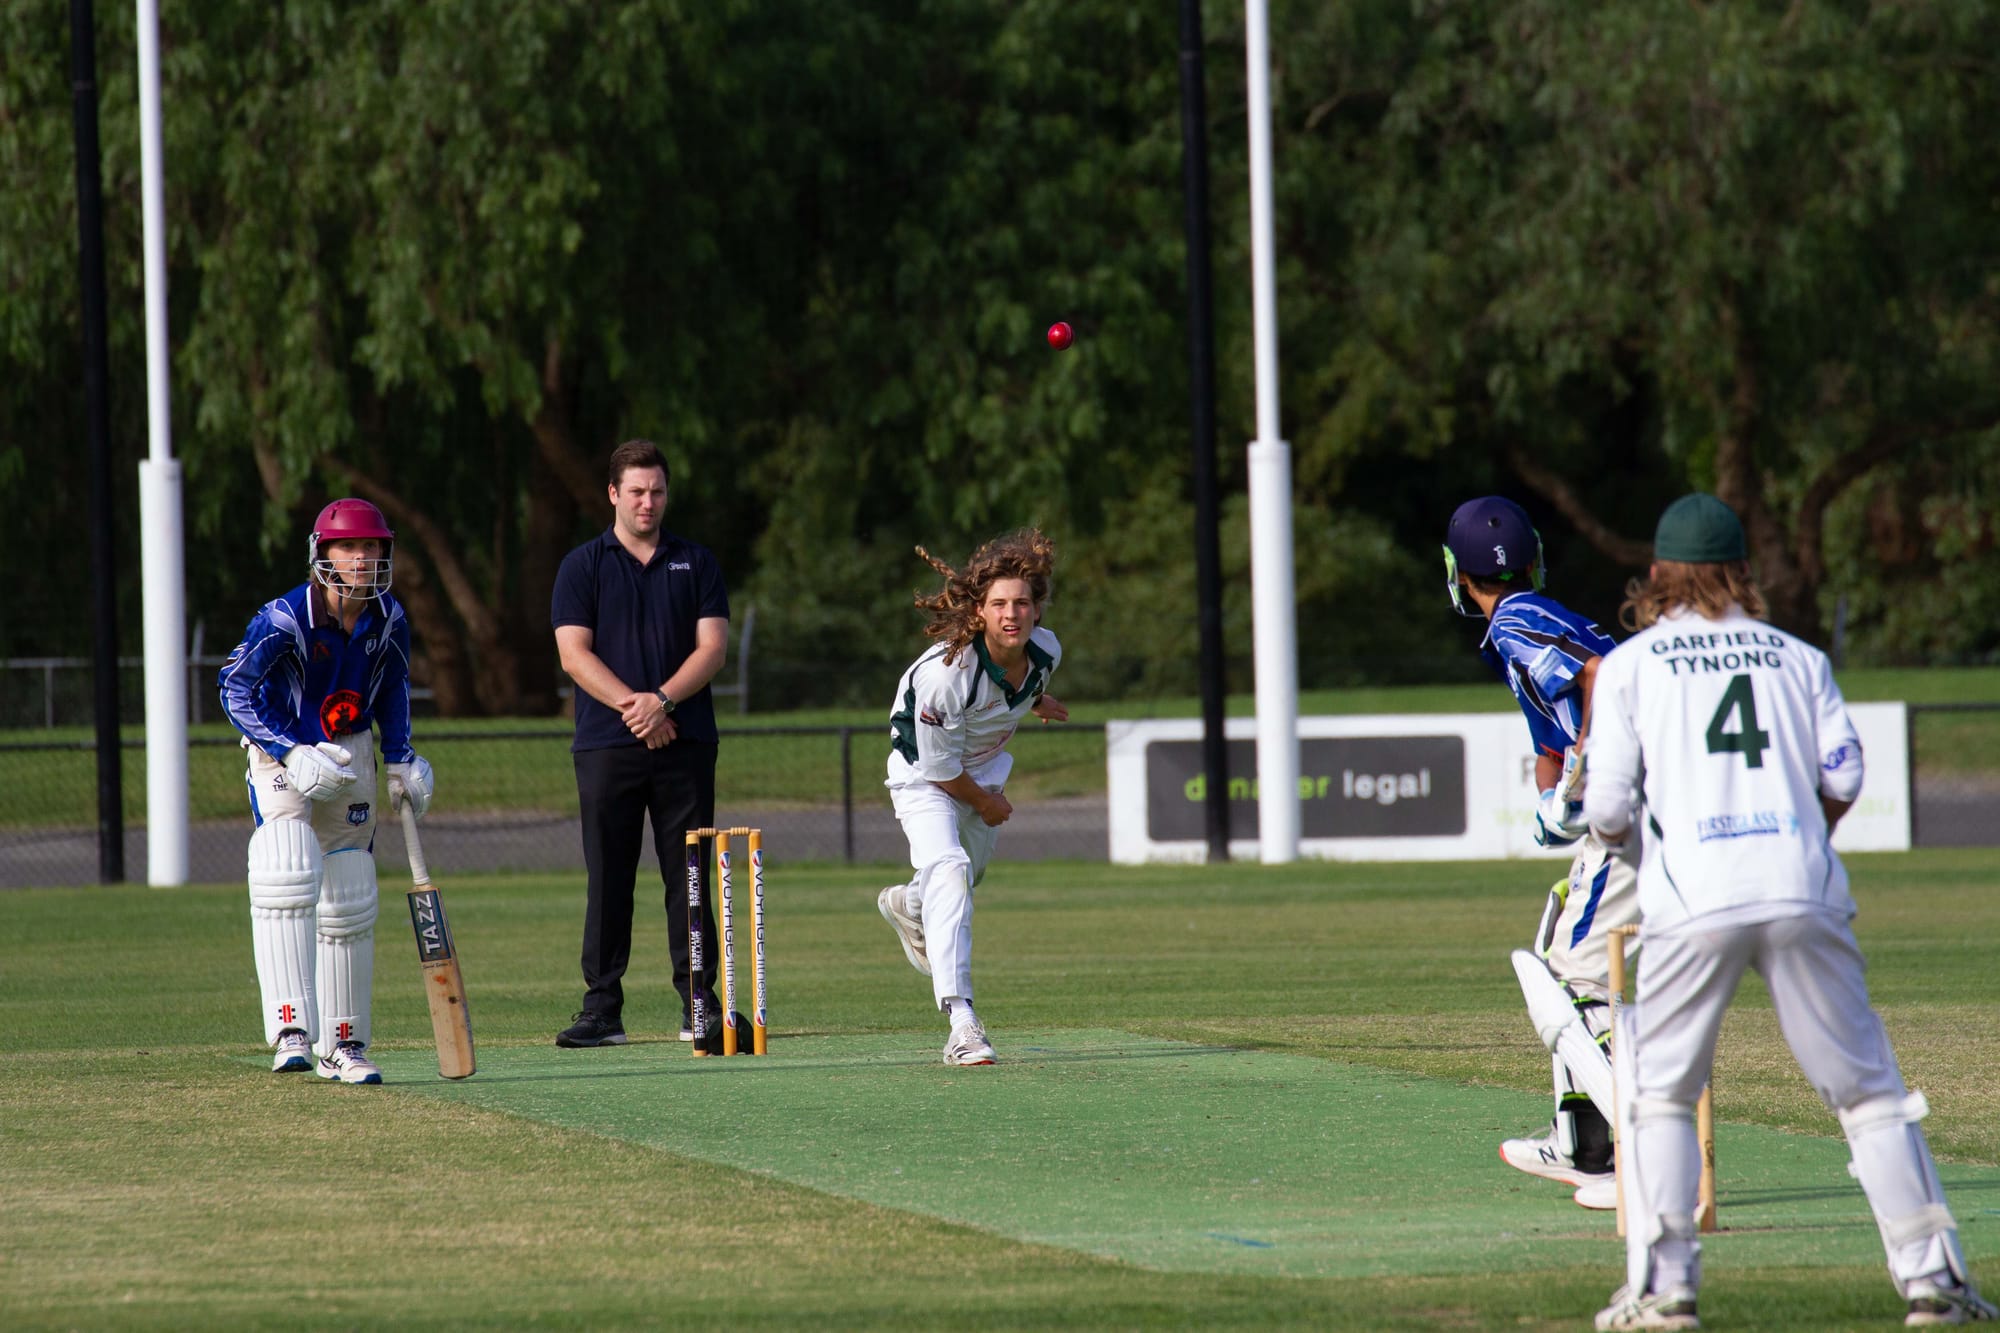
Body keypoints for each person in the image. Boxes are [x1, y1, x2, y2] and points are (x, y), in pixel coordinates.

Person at [1584, 493, 1994, 1330]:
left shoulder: (1633, 664)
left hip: (1691, 895)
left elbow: (1606, 811)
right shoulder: (1797, 657)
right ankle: (1931, 1280)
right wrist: (1802, 831)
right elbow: (1842, 776)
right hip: (1801, 883)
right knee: (1868, 1092)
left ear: (1658, 573)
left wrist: (1642, 855)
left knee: (1662, 1093)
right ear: (1743, 570)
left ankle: (1666, 1291)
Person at [1444, 496, 1636, 1209]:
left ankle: (1632, 1152)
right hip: (1628, 802)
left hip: (1634, 806)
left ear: (1456, 574)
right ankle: (1581, 1145)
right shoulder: (1533, 622)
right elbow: (1551, 743)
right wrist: (1553, 802)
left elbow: (1599, 682)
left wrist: (1586, 770)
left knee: (1567, 979)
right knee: (1563, 947)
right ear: (1535, 560)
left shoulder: (1519, 621)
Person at [218, 498, 435, 1086]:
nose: (364, 558)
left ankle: (344, 1042)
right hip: (282, 751)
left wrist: (401, 759)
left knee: (351, 888)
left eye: (373, 547)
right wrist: (290, 750)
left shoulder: (389, 618)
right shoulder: (285, 617)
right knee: (285, 866)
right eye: (351, 547)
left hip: (352, 749)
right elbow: (235, 690)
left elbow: (393, 689)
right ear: (324, 554)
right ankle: (291, 1029)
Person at [551, 439, 730, 1050]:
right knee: (609, 877)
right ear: (613, 495)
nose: (647, 502)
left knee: (689, 876)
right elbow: (574, 655)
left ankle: (699, 1004)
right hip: (607, 743)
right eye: (636, 492)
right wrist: (637, 706)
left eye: (656, 491)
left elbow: (712, 648)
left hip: (685, 739)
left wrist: (665, 702)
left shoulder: (696, 561)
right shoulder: (583, 565)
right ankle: (602, 1010)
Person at [876, 529, 1067, 1066]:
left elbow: (1015, 687)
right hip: (924, 776)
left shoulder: (1047, 649)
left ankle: (909, 903)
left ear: (1037, 610)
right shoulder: (946, 676)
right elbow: (940, 769)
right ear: (979, 611)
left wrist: (1039, 702)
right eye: (1000, 604)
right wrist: (985, 804)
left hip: (981, 771)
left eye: (1023, 603)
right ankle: (962, 1022)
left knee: (962, 877)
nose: (1013, 614)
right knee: (952, 867)